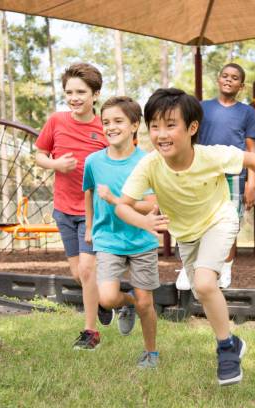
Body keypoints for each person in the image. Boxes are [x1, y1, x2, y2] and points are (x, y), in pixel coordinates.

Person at [115, 88, 255, 386]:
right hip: (187, 235)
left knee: (206, 283)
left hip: (219, 220)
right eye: (154, 126)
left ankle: (225, 351)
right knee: (202, 292)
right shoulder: (150, 165)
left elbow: (253, 160)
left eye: (170, 125)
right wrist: (143, 220)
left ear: (192, 128)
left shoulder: (211, 155)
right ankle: (233, 342)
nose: (161, 134)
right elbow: (122, 206)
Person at [34, 62, 112, 350]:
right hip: (63, 208)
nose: (74, 97)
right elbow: (39, 154)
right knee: (78, 274)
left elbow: (119, 160)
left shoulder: (105, 127)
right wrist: (56, 164)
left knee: (88, 271)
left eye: (81, 92)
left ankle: (90, 332)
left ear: (95, 94)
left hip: (94, 211)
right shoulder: (56, 121)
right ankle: (104, 303)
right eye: (69, 92)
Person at [82, 96, 160, 367]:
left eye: (118, 121)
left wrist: (116, 200)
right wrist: (90, 226)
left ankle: (151, 353)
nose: (110, 127)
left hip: (141, 239)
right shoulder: (93, 161)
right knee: (106, 297)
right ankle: (126, 304)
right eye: (106, 122)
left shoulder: (148, 161)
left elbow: (150, 205)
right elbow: (89, 193)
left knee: (146, 303)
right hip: (108, 239)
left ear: (134, 125)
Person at [175, 62, 255, 290]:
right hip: (203, 173)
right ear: (218, 79)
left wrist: (251, 183)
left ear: (241, 85)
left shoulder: (246, 112)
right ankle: (189, 267)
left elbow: (251, 151)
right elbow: (189, 139)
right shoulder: (202, 108)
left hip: (234, 174)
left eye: (234, 78)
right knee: (196, 219)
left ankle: (225, 268)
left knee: (230, 223)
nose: (229, 80)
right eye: (225, 76)